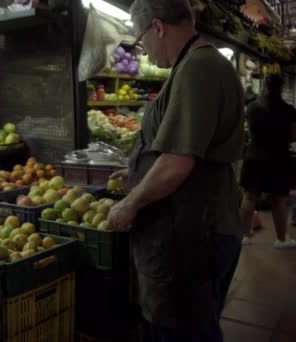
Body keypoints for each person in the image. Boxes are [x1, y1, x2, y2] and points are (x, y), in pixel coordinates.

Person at [107, 0, 244, 341]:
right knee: (194, 324)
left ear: (158, 27)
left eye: (142, 41)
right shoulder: (199, 64)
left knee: (183, 330)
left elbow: (177, 163)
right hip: (196, 226)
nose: (144, 51)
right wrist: (137, 175)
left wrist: (131, 203)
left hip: (192, 233)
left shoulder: (198, 68)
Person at [239, 74, 296, 249]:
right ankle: (281, 239)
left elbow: (247, 130)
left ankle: (244, 236)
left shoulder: (252, 107)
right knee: (279, 199)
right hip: (278, 159)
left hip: (254, 156)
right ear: (281, 87)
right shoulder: (288, 110)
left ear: (264, 86)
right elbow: (294, 136)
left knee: (249, 197)